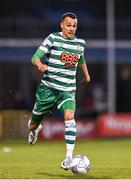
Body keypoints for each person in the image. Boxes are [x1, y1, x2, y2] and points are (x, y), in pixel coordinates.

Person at [28, 12, 90, 170]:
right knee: (32, 124)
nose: (71, 28)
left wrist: (87, 75)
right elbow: (35, 56)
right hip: (48, 89)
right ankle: (35, 129)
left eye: (74, 26)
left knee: (69, 117)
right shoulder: (52, 38)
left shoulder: (80, 43)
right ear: (61, 25)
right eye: (68, 25)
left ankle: (68, 158)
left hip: (67, 90)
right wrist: (39, 64)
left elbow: (81, 58)